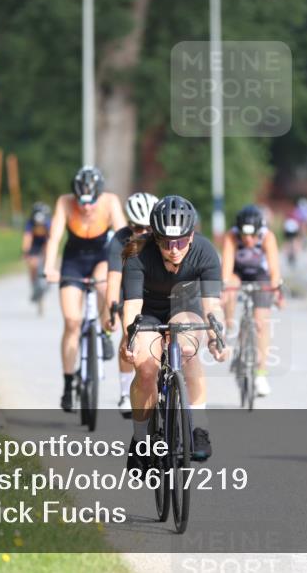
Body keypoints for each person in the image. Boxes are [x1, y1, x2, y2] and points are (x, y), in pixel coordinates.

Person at [121, 195, 229, 466]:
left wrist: (217, 338)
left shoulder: (205, 252)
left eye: (180, 241)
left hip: (185, 306)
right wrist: (129, 340)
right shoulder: (138, 255)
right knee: (146, 368)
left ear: (191, 236)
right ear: (155, 237)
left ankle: (199, 428)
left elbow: (212, 305)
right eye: (166, 243)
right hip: (148, 311)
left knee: (187, 348)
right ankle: (140, 439)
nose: (174, 249)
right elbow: (132, 308)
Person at [43, 166, 126, 412]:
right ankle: (69, 384)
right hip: (74, 261)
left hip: (102, 257)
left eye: (91, 202)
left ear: (99, 195)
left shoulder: (110, 202)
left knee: (105, 286)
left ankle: (106, 332)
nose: (86, 207)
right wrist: (49, 266)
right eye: (82, 201)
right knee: (71, 321)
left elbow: (123, 236)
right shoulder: (65, 203)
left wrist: (128, 265)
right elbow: (55, 237)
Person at [104, 191, 158, 418]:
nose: (143, 233)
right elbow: (114, 278)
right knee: (129, 338)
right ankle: (126, 391)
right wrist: (112, 310)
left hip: (155, 289)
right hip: (130, 288)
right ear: (129, 225)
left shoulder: (163, 238)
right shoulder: (119, 239)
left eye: (148, 228)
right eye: (137, 228)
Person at [221, 204, 284, 397]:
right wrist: (224, 290)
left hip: (259, 275)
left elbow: (274, 270)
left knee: (260, 322)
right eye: (244, 236)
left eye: (252, 236)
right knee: (229, 286)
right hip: (238, 273)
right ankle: (230, 328)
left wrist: (277, 291)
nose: (248, 240)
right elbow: (227, 270)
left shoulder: (267, 237)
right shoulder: (231, 237)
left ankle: (260, 374)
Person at [22, 202, 51, 306]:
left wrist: (49, 254)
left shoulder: (48, 223)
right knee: (32, 264)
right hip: (34, 245)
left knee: (49, 260)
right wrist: (26, 251)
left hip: (45, 244)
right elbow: (27, 237)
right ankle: (34, 286)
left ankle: (48, 282)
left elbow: (50, 239)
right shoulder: (30, 223)